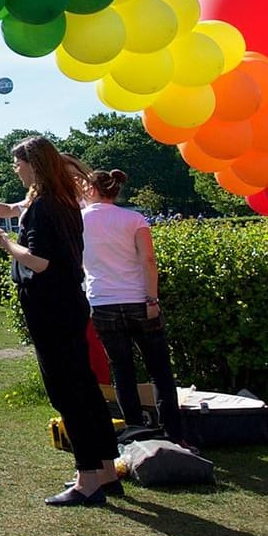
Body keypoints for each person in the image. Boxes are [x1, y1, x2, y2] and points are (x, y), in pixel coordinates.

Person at [0, 136, 117, 506]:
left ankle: (86, 480)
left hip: (49, 307)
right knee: (84, 385)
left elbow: (39, 261)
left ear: (34, 164)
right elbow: (9, 207)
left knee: (66, 392)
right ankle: (105, 470)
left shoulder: (43, 208)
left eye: (17, 163)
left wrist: (2, 241)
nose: (14, 168)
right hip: (68, 304)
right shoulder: (61, 200)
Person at [81, 168, 186, 445]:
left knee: (122, 370)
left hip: (102, 302)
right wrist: (152, 299)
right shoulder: (134, 219)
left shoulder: (77, 220)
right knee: (160, 371)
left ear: (92, 189)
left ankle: (135, 432)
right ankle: (174, 434)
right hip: (139, 300)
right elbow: (148, 260)